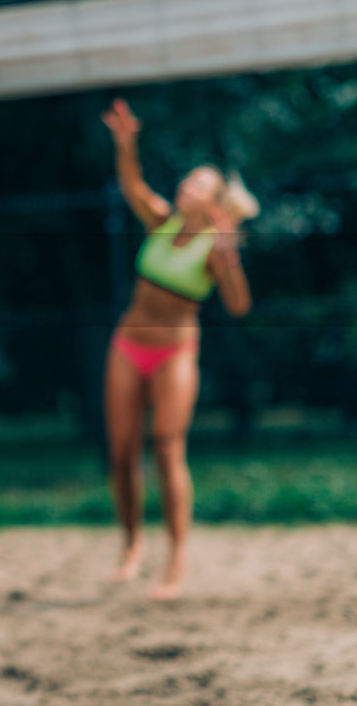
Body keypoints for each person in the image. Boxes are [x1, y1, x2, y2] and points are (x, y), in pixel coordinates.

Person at [100, 98, 258, 600]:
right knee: (123, 455)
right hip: (129, 344)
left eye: (197, 185)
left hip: (175, 352)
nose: (184, 186)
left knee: (167, 448)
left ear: (213, 203)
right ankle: (131, 545)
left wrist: (229, 256)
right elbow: (131, 185)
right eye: (187, 180)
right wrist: (126, 145)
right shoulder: (161, 221)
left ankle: (178, 557)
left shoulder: (213, 247)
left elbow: (237, 305)